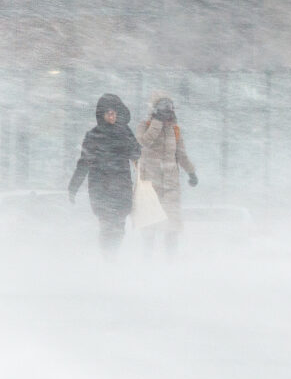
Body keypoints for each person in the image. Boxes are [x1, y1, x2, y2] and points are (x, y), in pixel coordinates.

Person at [68, 94, 141, 256]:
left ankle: (112, 255)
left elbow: (136, 154)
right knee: (106, 225)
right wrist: (73, 186)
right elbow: (84, 163)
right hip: (101, 188)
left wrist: (128, 139)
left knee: (119, 226)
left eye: (114, 113)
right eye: (108, 113)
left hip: (121, 187)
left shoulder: (124, 133)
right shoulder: (93, 136)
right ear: (102, 115)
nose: (111, 116)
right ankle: (107, 256)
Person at [136, 93, 198, 257]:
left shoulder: (174, 130)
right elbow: (144, 142)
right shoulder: (145, 125)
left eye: (169, 108)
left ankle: (171, 260)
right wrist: (156, 123)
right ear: (155, 110)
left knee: (172, 225)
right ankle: (147, 258)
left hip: (171, 185)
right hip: (150, 183)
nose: (167, 112)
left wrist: (191, 171)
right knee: (150, 225)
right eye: (163, 108)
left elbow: (181, 154)